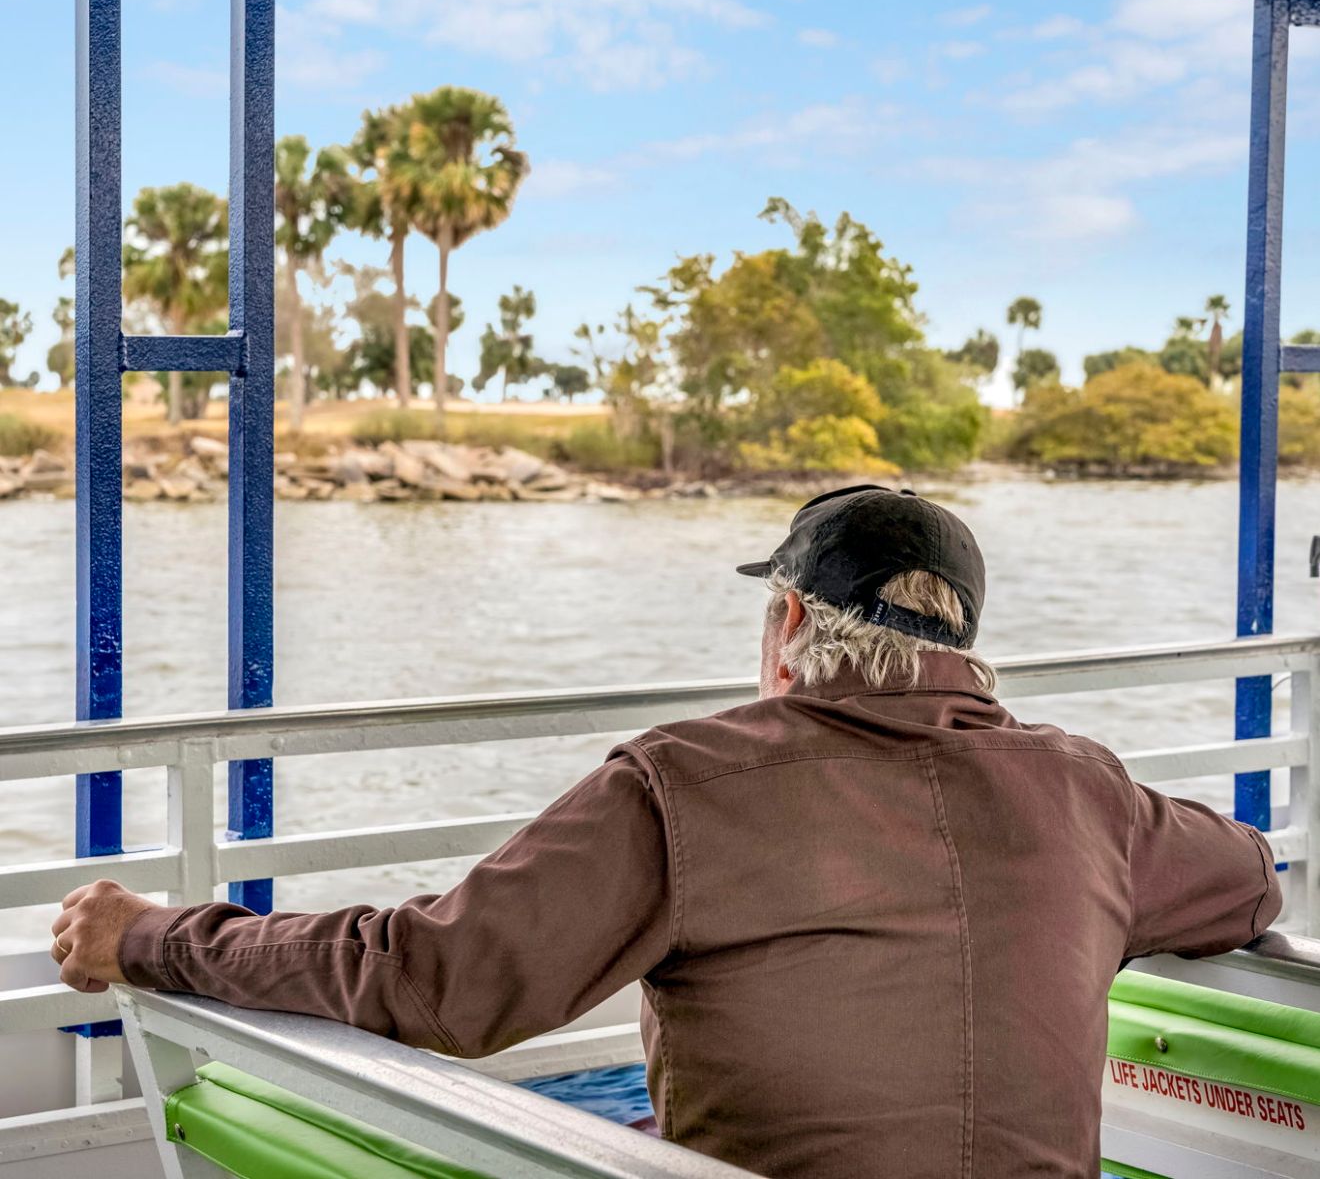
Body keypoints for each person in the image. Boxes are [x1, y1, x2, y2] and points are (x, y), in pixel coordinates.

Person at [52, 484, 1281, 1178]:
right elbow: (1248, 881)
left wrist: (158, 934)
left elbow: (434, 979)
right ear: (961, 648)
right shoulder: (1088, 793)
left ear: (788, 622)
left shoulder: (683, 782)